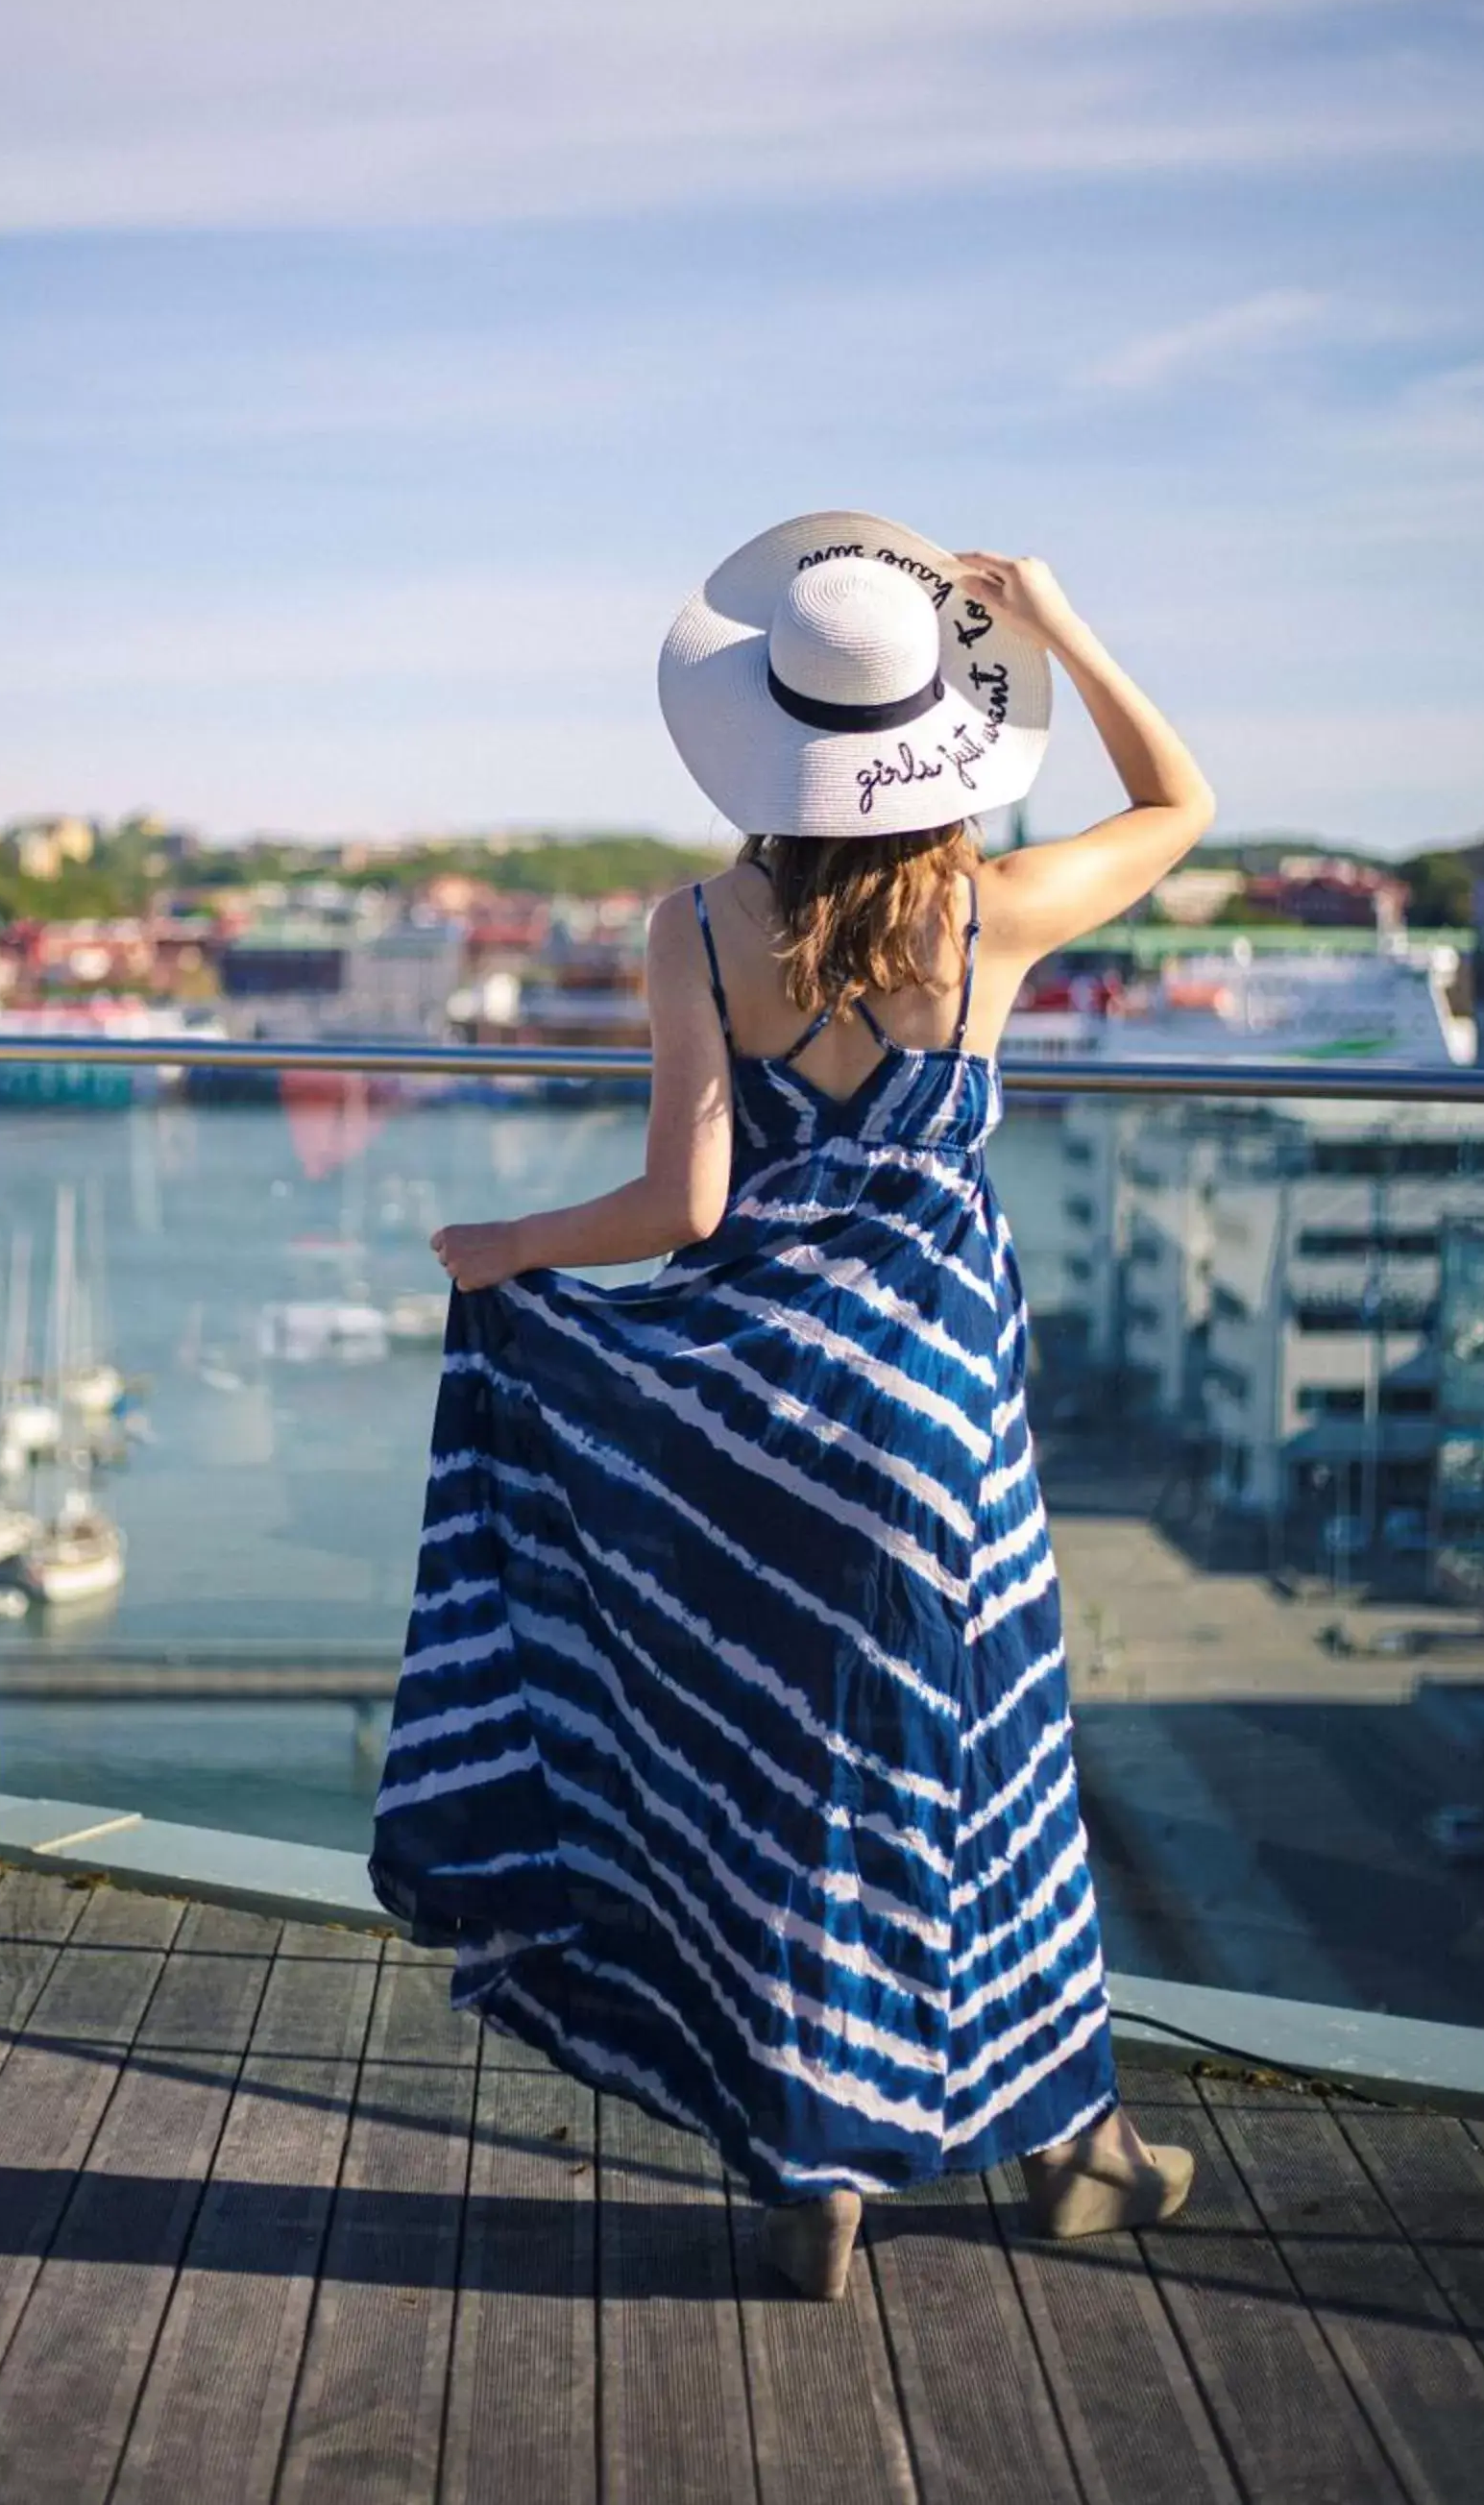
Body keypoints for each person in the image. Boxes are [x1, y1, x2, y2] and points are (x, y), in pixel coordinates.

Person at [368, 512, 1215, 2302]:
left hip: (749, 1416)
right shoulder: (986, 913)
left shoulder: (689, 927)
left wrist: (507, 1244)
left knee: (762, 1781)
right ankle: (1079, 2151)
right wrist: (1054, 616)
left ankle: (809, 2174)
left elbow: (678, 1209)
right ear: (935, 735)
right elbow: (1180, 803)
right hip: (937, 1425)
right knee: (983, 1778)